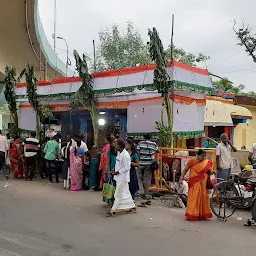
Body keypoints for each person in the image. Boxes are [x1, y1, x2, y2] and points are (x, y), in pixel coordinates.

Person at [179, 149, 213, 221]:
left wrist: (212, 173)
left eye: (205, 156)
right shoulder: (191, 161)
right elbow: (185, 170)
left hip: (203, 183)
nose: (204, 158)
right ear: (198, 155)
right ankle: (192, 214)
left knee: (202, 197)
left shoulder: (205, 162)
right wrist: (181, 179)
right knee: (193, 197)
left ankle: (201, 214)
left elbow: (209, 171)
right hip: (194, 182)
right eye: (202, 156)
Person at [105, 139, 136, 217]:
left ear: (120, 146)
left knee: (117, 194)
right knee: (126, 193)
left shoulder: (125, 155)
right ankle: (132, 207)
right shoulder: (119, 153)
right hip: (118, 177)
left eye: (116, 144)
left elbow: (126, 168)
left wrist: (117, 172)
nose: (114, 145)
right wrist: (113, 169)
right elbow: (118, 164)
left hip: (123, 178)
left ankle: (113, 210)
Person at [136, 134, 159, 199]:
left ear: (144, 137)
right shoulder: (153, 144)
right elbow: (158, 150)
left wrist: (141, 156)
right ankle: (145, 194)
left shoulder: (140, 143)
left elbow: (137, 152)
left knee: (138, 177)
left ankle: (141, 190)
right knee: (147, 179)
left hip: (141, 163)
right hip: (149, 164)